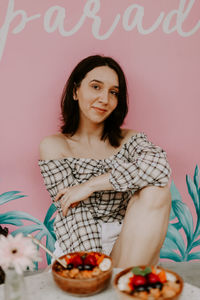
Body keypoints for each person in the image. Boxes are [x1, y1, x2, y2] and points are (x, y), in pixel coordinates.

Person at [38, 55, 171, 268]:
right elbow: (75, 215)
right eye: (96, 87)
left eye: (113, 92)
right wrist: (95, 270)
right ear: (75, 91)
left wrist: (90, 185)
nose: (104, 99)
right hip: (80, 245)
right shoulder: (54, 146)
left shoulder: (130, 139)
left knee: (157, 190)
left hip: (131, 240)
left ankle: (122, 281)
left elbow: (160, 169)